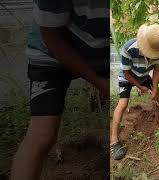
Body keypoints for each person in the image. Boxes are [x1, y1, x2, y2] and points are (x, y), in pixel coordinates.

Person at [10, 1, 108, 180]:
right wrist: (99, 82)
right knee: (43, 134)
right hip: (51, 51)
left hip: (102, 52)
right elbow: (53, 39)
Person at [110, 23, 159, 160]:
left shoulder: (158, 49)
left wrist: (154, 88)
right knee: (123, 105)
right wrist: (141, 88)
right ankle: (114, 141)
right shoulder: (128, 49)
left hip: (144, 76)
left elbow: (157, 71)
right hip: (128, 77)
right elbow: (127, 74)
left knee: (158, 95)